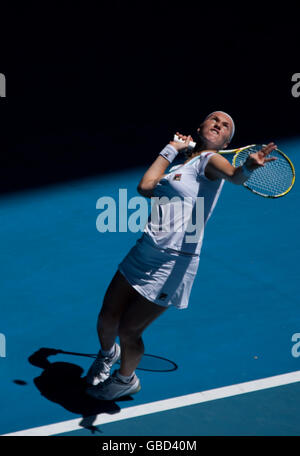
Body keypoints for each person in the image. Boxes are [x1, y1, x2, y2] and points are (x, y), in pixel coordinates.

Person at [86, 111, 277, 401]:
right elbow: (145, 187)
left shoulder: (210, 160)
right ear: (199, 127)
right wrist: (172, 149)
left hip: (173, 262)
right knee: (106, 317)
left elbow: (235, 177)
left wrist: (248, 169)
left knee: (129, 329)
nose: (218, 125)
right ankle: (106, 355)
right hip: (144, 250)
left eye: (225, 126)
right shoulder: (182, 164)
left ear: (227, 140)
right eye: (213, 120)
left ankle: (126, 379)